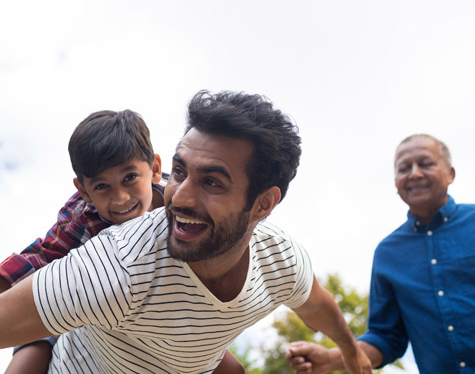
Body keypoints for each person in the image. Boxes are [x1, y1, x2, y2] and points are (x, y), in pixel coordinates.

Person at [0, 90, 371, 374]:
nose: (181, 197)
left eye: (211, 182)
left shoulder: (280, 259)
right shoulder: (116, 263)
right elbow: (35, 262)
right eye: (181, 172)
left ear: (263, 204)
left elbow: (319, 306)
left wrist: (353, 354)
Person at [0, 109, 241, 374]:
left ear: (155, 169)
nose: (121, 198)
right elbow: (43, 257)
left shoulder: (180, 203)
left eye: (129, 178)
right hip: (83, 303)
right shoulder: (83, 217)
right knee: (33, 349)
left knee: (232, 369)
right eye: (102, 187)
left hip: (160, 308)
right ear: (84, 191)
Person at [286, 134, 475, 373]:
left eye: (425, 164)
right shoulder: (388, 253)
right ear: (396, 182)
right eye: (404, 168)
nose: (415, 173)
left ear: (451, 173)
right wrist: (333, 358)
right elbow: (386, 337)